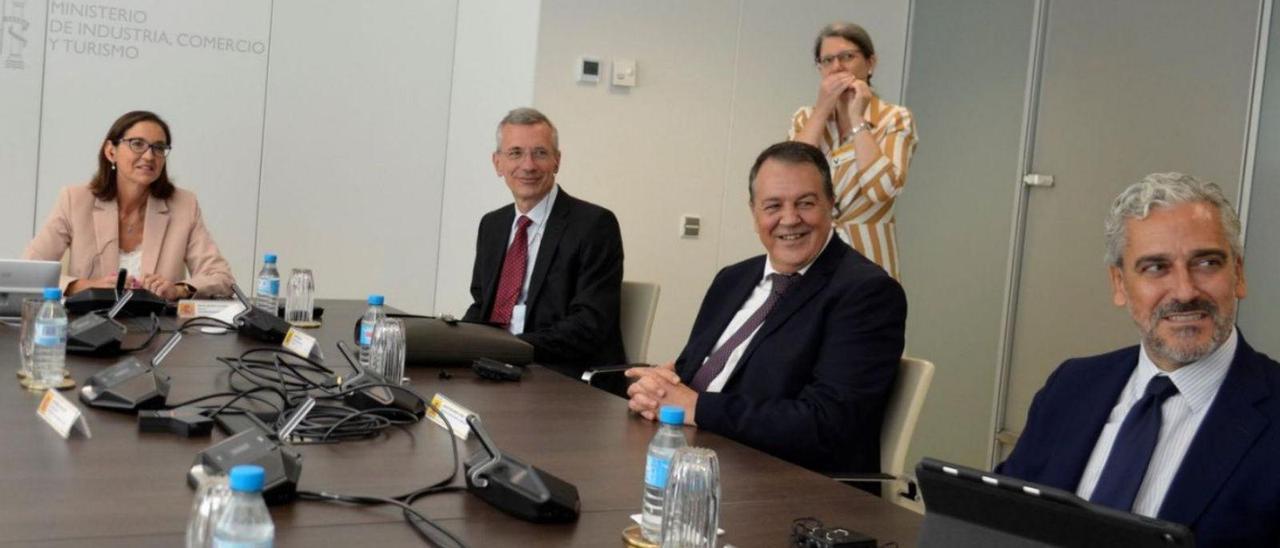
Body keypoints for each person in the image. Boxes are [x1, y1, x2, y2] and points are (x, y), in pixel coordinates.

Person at [997, 173, 1280, 547]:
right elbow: (999, 520)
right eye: (1155, 268)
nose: (1184, 290)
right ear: (1119, 284)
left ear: (1238, 274)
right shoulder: (1071, 385)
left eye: (1207, 263)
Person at [625, 141, 906, 476]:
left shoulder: (866, 293)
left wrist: (695, 406)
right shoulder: (733, 279)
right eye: (773, 206)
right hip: (699, 459)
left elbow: (827, 424)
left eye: (805, 203)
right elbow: (690, 374)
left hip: (790, 485)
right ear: (754, 212)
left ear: (831, 205)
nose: (790, 219)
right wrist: (656, 389)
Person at [462, 107, 626, 374]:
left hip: (562, 373)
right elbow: (482, 305)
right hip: (497, 367)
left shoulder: (594, 225)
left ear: (557, 161)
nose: (528, 165)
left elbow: (588, 324)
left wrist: (508, 347)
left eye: (540, 153)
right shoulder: (492, 225)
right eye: (515, 153)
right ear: (497, 163)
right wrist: (455, 343)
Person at [23, 110, 234, 300]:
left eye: (159, 148)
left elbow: (221, 277)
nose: (150, 156)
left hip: (158, 330)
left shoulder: (184, 205)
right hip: (87, 326)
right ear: (111, 151)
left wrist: (179, 289)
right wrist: (84, 286)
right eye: (137, 144)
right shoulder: (75, 200)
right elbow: (29, 272)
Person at [790, 22, 918, 281]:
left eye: (847, 57)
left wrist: (858, 119)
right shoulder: (805, 118)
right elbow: (790, 178)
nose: (837, 67)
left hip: (869, 256)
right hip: (809, 252)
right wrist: (822, 109)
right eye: (827, 60)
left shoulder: (894, 118)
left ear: (870, 63)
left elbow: (881, 190)